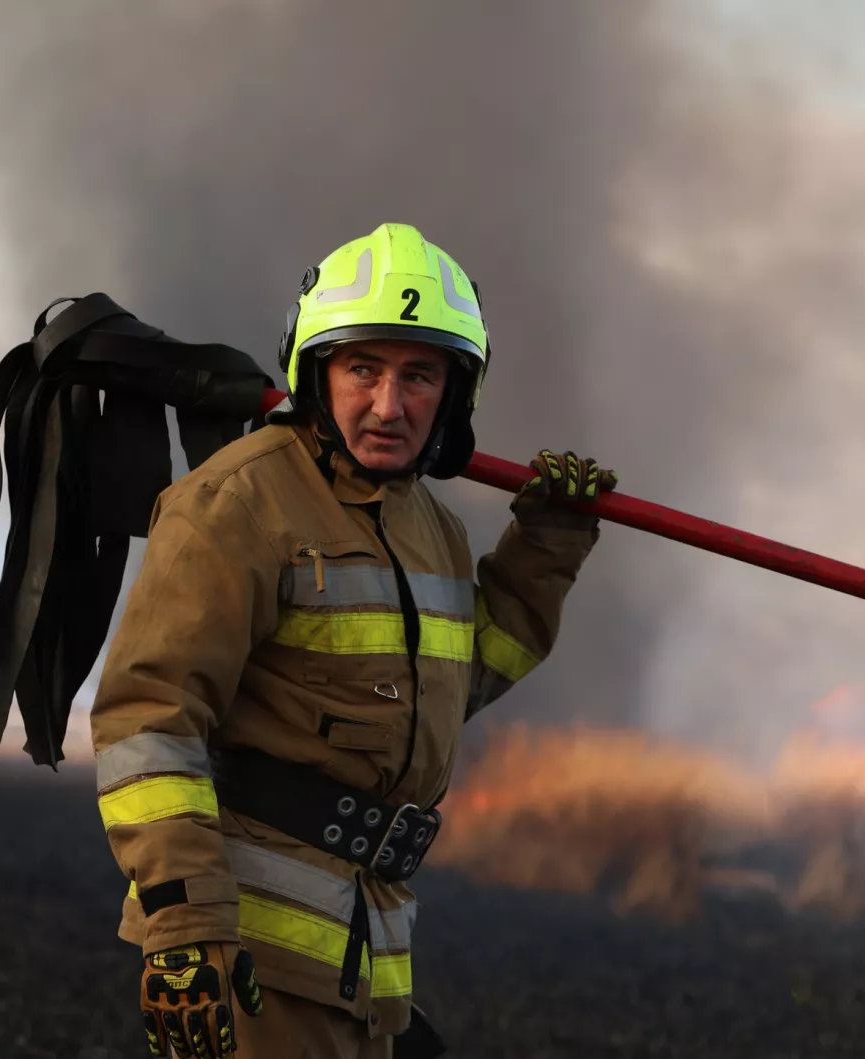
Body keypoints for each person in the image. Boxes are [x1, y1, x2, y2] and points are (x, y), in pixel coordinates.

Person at [89, 222, 617, 1059]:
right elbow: (148, 719)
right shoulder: (237, 503)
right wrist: (184, 920)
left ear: (455, 392)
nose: (388, 403)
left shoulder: (432, 530)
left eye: (419, 374)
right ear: (314, 371)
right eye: (362, 368)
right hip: (252, 967)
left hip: (369, 964)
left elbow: (456, 684)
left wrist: (547, 546)